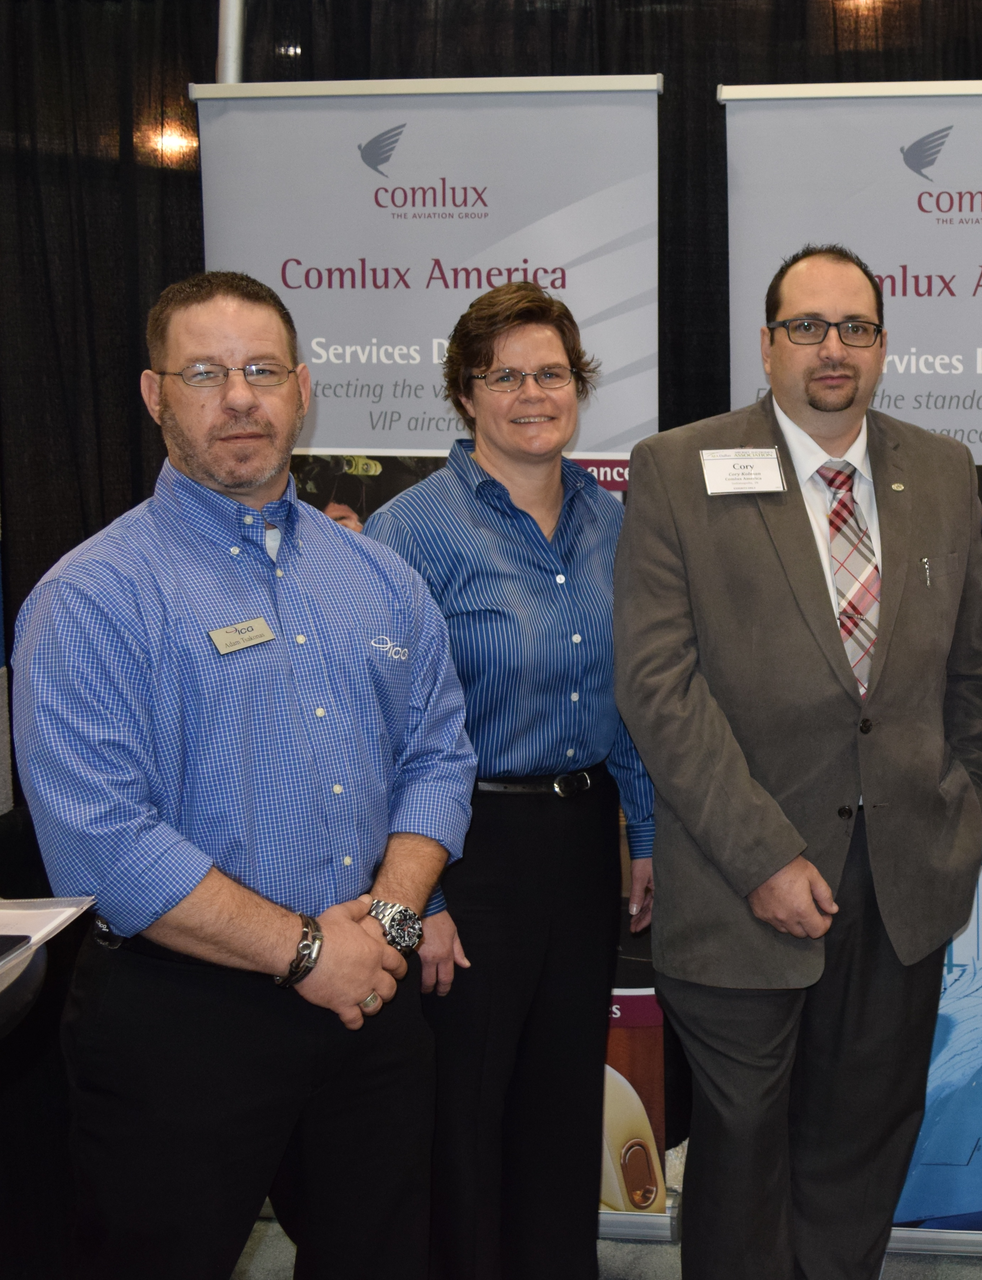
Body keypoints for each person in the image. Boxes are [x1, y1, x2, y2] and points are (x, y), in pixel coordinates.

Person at [12, 270, 477, 1278]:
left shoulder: (380, 578)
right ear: (154, 393)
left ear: (304, 387)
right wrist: (307, 950)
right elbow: (103, 839)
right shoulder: (91, 596)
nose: (239, 397)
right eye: (206, 372)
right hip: (181, 1019)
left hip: (370, 998)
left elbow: (439, 753)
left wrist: (386, 926)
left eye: (263, 370)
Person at [612, 243, 982, 1280]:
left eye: (857, 328)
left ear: (882, 346)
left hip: (902, 885)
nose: (833, 350)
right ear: (767, 343)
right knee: (744, 1153)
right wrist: (762, 858)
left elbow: (972, 675)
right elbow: (659, 688)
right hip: (740, 891)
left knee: (859, 1149)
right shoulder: (677, 466)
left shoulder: (942, 467)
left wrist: (951, 814)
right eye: (808, 326)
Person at [364, 281, 657, 1279]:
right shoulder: (409, 531)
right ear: (466, 392)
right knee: (463, 1114)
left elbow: (632, 697)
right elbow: (382, 734)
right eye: (507, 375)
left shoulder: (613, 521)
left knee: (562, 1102)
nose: (534, 392)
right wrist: (424, 898)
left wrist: (646, 835)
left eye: (553, 373)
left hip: (581, 845)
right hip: (464, 848)